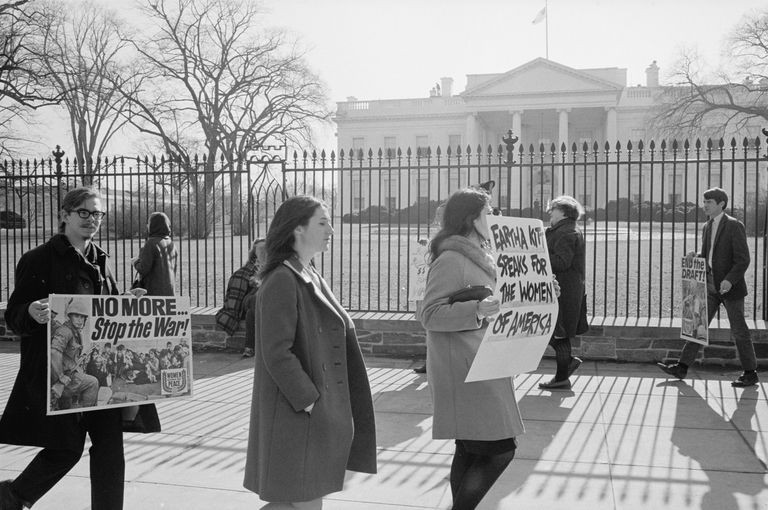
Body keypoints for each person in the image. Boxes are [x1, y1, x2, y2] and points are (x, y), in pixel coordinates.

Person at [0, 186, 161, 510]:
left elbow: (108, 310)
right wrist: (30, 311)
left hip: (100, 370)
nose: (92, 220)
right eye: (84, 213)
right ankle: (12, 497)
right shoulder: (38, 260)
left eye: (97, 213)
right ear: (65, 215)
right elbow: (15, 315)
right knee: (66, 449)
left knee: (110, 450)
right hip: (60, 372)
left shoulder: (102, 259)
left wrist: (125, 304)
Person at [243, 195, 377, 509]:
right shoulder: (282, 280)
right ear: (298, 229)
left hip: (307, 416)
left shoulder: (308, 273)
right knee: (302, 501)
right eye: (322, 222)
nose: (331, 229)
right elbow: (277, 353)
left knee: (300, 502)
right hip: (296, 416)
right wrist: (312, 403)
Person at [416, 188, 523, 510]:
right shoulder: (451, 258)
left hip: (483, 362)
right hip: (464, 369)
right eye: (488, 211)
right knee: (500, 448)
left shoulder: (482, 254)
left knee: (471, 447)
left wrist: (543, 289)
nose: (495, 217)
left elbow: (502, 300)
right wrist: (477, 310)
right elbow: (429, 315)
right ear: (470, 219)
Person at [657, 187, 758, 387]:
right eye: (704, 202)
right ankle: (682, 367)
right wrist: (695, 256)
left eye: (709, 202)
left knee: (739, 330)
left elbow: (743, 260)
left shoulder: (734, 225)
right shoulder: (707, 226)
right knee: (697, 326)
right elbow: (707, 256)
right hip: (709, 285)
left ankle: (750, 372)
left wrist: (729, 280)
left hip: (731, 288)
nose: (705, 205)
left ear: (721, 204)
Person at [538, 195, 588, 390]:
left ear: (564, 212)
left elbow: (561, 262)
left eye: (553, 209)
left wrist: (538, 253)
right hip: (564, 288)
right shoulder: (565, 230)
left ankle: (562, 375)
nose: (550, 212)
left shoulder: (567, 232)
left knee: (557, 332)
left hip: (564, 290)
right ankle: (566, 366)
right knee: (556, 332)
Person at [216, 238, 266, 357]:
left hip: (262, 306)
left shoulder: (274, 267)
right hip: (248, 302)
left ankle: (249, 348)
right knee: (254, 300)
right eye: (260, 249)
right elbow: (235, 295)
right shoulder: (245, 271)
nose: (264, 251)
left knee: (251, 314)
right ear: (254, 253)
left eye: (266, 248)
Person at [49, 297, 99, 410]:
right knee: (93, 382)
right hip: (61, 378)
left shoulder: (74, 332)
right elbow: (54, 352)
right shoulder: (65, 331)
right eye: (76, 316)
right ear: (70, 317)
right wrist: (61, 376)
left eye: (82, 317)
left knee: (65, 409)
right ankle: (87, 414)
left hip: (68, 376)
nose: (80, 320)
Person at [132, 211, 177, 296]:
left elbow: (143, 269)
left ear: (153, 225)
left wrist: (135, 261)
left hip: (153, 292)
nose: (147, 225)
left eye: (149, 223)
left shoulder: (151, 243)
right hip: (169, 291)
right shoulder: (171, 243)